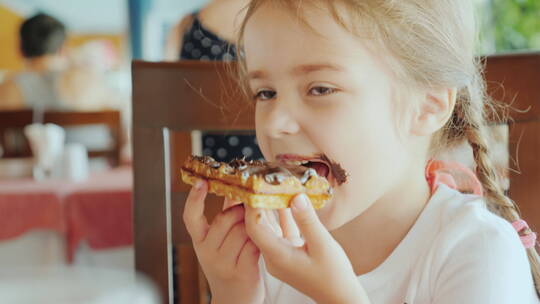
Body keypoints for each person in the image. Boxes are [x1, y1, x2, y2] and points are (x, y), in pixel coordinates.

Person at [182, 0, 540, 303]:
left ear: (427, 106)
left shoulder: (480, 250)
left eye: (320, 89)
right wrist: (233, 293)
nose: (275, 123)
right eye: (265, 93)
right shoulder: (267, 248)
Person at [164, 0, 263, 162]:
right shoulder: (284, 25)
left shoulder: (185, 28)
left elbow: (167, 112)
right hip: (275, 176)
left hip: (204, 175)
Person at [0, 13, 123, 112]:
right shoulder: (90, 82)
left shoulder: (8, 87)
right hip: (90, 143)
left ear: (20, 49)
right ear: (63, 49)